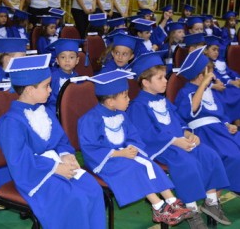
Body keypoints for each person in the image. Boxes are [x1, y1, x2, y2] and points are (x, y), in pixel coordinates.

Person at [0, 54, 106, 229]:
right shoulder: (11, 122)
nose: (51, 91)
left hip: (55, 164)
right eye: (46, 86)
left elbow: (60, 139)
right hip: (34, 175)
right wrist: (54, 168)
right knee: (74, 197)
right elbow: (20, 161)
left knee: (92, 188)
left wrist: (66, 154)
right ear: (30, 90)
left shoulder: (44, 111)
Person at [127, 52, 231, 228]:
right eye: (160, 78)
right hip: (163, 148)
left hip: (180, 143)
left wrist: (189, 135)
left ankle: (211, 202)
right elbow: (147, 135)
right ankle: (192, 210)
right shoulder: (138, 106)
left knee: (209, 155)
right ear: (145, 83)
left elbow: (180, 122)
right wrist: (175, 141)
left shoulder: (164, 100)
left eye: (164, 77)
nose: (165, 81)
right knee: (187, 163)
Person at [78, 70, 192, 226]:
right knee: (134, 168)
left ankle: (171, 200)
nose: (129, 99)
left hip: (125, 155)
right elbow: (91, 147)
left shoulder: (123, 115)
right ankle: (158, 206)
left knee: (148, 163)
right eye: (125, 96)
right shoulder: (89, 119)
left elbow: (133, 136)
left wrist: (132, 148)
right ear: (111, 101)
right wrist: (119, 153)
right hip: (106, 160)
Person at [175, 47, 240, 197]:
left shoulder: (210, 92)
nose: (212, 76)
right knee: (233, 156)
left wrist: (228, 124)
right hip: (205, 133)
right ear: (200, 75)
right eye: (209, 72)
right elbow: (190, 110)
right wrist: (203, 85)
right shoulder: (186, 92)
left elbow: (220, 114)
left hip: (219, 129)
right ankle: (214, 198)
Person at [45, 38, 82, 112]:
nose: (67, 60)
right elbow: (49, 100)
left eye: (71, 57)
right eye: (63, 57)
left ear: (77, 60)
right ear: (57, 61)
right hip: (55, 109)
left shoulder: (78, 77)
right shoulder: (52, 78)